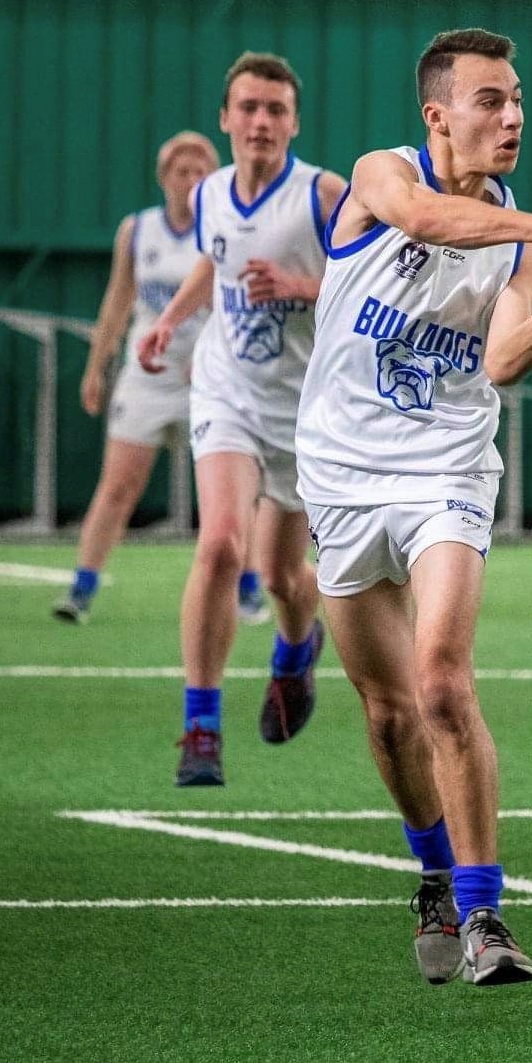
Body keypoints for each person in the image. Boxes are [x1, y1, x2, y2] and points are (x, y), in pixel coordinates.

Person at [295, 27, 532, 986]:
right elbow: (423, 221)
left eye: (516, 101)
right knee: (385, 716)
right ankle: (429, 874)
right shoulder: (380, 175)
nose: (511, 118)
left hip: (447, 469)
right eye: (490, 101)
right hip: (339, 473)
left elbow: (501, 361)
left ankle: (484, 915)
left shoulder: (518, 250)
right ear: (438, 115)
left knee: (443, 683)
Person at [138, 51, 346, 787]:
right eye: (248, 108)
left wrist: (299, 284)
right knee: (222, 543)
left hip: (303, 407)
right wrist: (168, 321)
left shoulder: (324, 196)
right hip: (226, 389)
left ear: (293, 121)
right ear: (226, 117)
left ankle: (296, 650)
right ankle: (200, 726)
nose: (261, 122)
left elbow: (374, 283)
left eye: (275, 110)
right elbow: (212, 263)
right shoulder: (213, 194)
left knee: (285, 575)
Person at [53, 131, 220, 623]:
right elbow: (117, 301)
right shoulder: (139, 230)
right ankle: (82, 588)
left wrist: (214, 353)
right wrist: (96, 365)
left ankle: (247, 586)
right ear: (163, 178)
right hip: (146, 377)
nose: (188, 181)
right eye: (179, 172)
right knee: (118, 486)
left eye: (198, 172)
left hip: (205, 378)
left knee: (227, 490)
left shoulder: (222, 227)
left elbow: (234, 305)